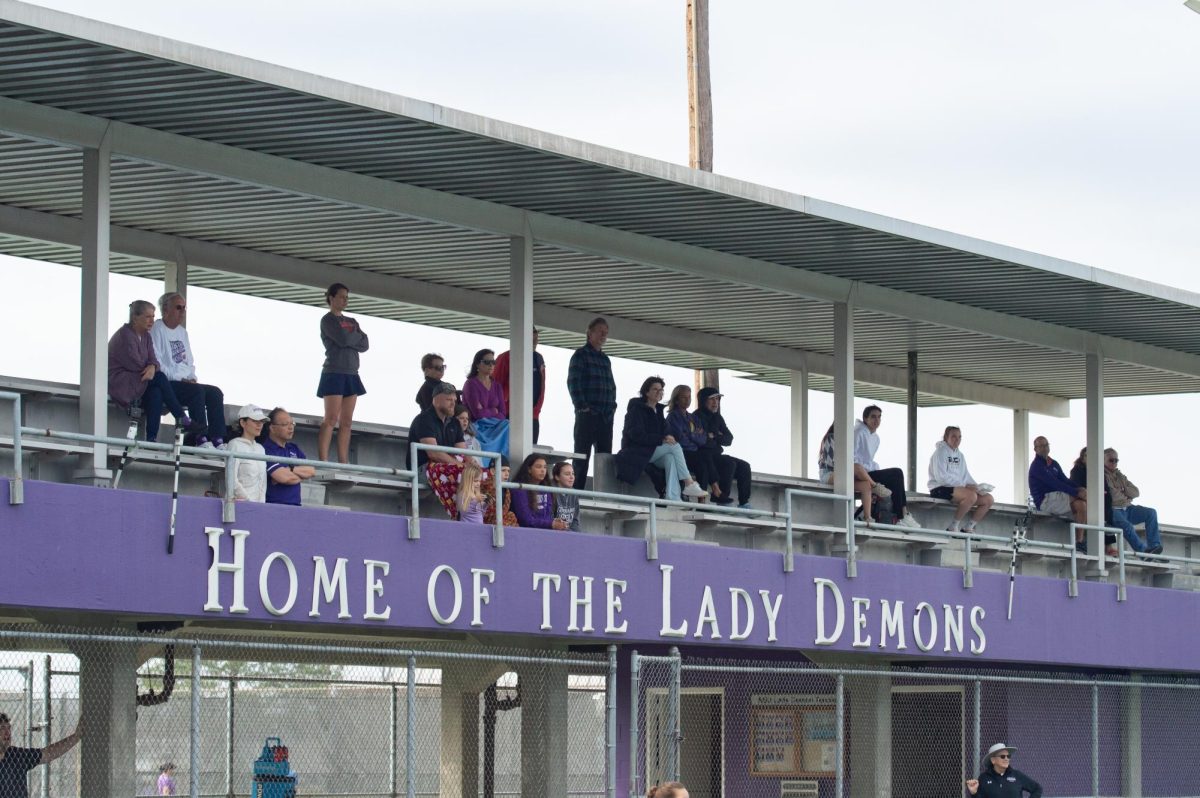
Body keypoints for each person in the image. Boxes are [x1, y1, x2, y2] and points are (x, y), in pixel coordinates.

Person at [108, 300, 192, 442]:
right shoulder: (125, 335)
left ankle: (151, 438)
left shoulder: (146, 336)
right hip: (123, 382)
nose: (152, 321)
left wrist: (152, 366)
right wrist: (152, 368)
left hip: (141, 380)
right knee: (159, 378)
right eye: (148, 317)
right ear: (135, 317)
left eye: (153, 317)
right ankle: (180, 416)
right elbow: (135, 363)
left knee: (156, 392)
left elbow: (154, 360)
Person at [149, 292, 226, 448]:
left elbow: (189, 361)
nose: (182, 312)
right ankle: (201, 439)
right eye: (178, 307)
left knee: (215, 393)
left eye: (184, 308)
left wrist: (191, 376)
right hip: (169, 383)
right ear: (166, 309)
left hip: (185, 382)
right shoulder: (157, 329)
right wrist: (180, 378)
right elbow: (156, 362)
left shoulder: (182, 332)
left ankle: (218, 439)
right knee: (196, 392)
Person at [614, 376, 709, 502]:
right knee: (674, 447)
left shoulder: (658, 411)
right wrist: (662, 439)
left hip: (652, 451)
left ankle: (673, 497)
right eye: (655, 389)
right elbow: (636, 435)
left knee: (670, 458)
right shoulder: (636, 410)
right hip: (636, 452)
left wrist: (667, 437)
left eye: (661, 390)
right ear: (646, 392)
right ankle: (689, 483)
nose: (659, 392)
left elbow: (666, 431)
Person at [317, 282, 369, 463]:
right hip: (334, 372)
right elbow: (343, 338)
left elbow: (365, 344)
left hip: (352, 373)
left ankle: (343, 460)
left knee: (347, 421)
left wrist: (351, 336)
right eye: (341, 297)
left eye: (347, 297)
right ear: (331, 298)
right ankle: (323, 459)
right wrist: (353, 336)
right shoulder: (328, 320)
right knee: (331, 418)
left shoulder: (352, 321)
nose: (345, 301)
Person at [567, 317, 617, 488]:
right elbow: (573, 382)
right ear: (589, 333)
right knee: (582, 457)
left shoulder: (605, 359)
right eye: (600, 331)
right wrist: (582, 407)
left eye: (606, 332)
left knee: (605, 458)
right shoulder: (580, 355)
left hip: (605, 416)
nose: (604, 335)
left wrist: (612, 408)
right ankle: (576, 494)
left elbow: (612, 386)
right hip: (587, 416)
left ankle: (604, 494)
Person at [854, 406, 920, 528]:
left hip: (869, 471)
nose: (877, 420)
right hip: (860, 473)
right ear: (865, 418)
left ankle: (902, 515)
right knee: (896, 473)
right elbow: (853, 459)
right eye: (873, 416)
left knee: (895, 480)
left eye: (879, 417)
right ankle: (902, 516)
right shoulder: (858, 432)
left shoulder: (876, 438)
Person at [409, 381, 468, 518]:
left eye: (454, 399)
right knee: (462, 472)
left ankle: (478, 515)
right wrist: (459, 464)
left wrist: (473, 466)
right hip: (423, 469)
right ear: (435, 400)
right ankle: (460, 514)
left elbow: (465, 454)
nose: (453, 403)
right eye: (448, 399)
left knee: (483, 476)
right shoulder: (424, 419)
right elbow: (433, 453)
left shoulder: (454, 422)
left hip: (448, 466)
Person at [1028, 437, 1090, 553]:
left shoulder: (1054, 463)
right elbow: (1055, 484)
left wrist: (1079, 488)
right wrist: (1077, 492)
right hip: (1045, 501)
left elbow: (1064, 480)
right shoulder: (1036, 466)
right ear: (1035, 449)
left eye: (1046, 445)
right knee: (1081, 497)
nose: (1044, 448)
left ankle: (1079, 542)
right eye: (1041, 446)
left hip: (1058, 498)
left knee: (1082, 505)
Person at [927, 426, 994, 532]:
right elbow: (941, 478)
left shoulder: (960, 455)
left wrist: (977, 487)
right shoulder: (940, 452)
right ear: (946, 437)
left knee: (988, 499)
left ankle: (969, 527)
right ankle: (953, 526)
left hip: (958, 489)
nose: (957, 440)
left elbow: (965, 476)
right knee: (971, 496)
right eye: (953, 437)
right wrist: (965, 486)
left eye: (959, 437)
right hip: (939, 488)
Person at [0, 711, 82, 798]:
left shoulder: (17, 755)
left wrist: (76, 736)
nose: (7, 732)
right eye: (2, 728)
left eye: (9, 728)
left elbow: (48, 753)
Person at [695, 387, 753, 508]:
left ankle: (744, 503)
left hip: (716, 455)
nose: (716, 402)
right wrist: (716, 437)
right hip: (704, 457)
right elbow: (703, 442)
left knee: (745, 466)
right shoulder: (696, 416)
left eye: (717, 399)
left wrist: (714, 436)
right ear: (703, 400)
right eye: (712, 399)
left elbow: (729, 439)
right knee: (729, 463)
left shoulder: (718, 417)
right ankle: (721, 499)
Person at [666, 385, 721, 501]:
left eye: (689, 397)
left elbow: (703, 439)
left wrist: (691, 435)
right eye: (683, 398)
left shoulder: (693, 418)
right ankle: (710, 493)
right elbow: (681, 439)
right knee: (702, 462)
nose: (687, 400)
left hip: (694, 451)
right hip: (682, 453)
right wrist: (695, 435)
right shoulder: (673, 416)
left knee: (705, 464)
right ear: (676, 399)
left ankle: (703, 499)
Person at [1104, 448, 1163, 556]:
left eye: (1116, 460)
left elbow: (1136, 492)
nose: (1114, 463)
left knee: (1151, 513)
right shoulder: (1101, 475)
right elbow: (1113, 495)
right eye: (1111, 460)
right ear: (1103, 460)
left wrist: (1123, 491)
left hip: (1128, 508)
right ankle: (1143, 553)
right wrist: (1126, 494)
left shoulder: (1120, 475)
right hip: (1114, 509)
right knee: (1127, 526)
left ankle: (1154, 547)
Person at [817, 422, 879, 526]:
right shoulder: (831, 438)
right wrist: (854, 471)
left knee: (865, 485)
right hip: (829, 474)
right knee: (857, 467)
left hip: (842, 475)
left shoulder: (846, 441)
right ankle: (876, 486)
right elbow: (835, 463)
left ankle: (868, 518)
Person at [493, 327, 547, 443]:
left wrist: (536, 410)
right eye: (531, 335)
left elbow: (540, 386)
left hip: (532, 416)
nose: (535, 339)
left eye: (536, 335)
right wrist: (501, 410)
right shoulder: (506, 357)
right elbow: (496, 386)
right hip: (510, 414)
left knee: (530, 454)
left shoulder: (538, 358)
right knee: (509, 451)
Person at [462, 348, 510, 462]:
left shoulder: (497, 386)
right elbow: (477, 414)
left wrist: (487, 411)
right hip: (477, 425)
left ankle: (501, 465)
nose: (491, 365)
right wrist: (494, 411)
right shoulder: (471, 384)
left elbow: (503, 413)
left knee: (508, 424)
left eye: (493, 362)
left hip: (495, 425)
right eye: (487, 362)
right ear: (478, 364)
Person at [262, 407, 316, 506]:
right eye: (285, 424)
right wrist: (301, 475)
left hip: (296, 507)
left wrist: (290, 469)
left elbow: (311, 470)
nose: (291, 427)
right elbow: (284, 478)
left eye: (292, 423)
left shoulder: (293, 448)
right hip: (273, 506)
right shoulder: (265, 449)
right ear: (272, 428)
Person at [1070, 447, 1118, 557]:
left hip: (1096, 501)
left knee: (1108, 508)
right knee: (1090, 507)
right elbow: (1077, 488)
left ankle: (1109, 545)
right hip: (1082, 500)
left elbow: (1106, 491)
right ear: (1083, 458)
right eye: (1088, 456)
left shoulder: (1099, 472)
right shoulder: (1077, 470)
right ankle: (1080, 541)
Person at [509, 453, 568, 529]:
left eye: (545, 467)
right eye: (538, 467)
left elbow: (547, 517)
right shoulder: (519, 489)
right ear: (529, 469)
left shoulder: (547, 489)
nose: (543, 470)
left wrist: (555, 522)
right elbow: (526, 520)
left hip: (543, 534)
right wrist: (551, 524)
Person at [966, 743, 1042, 798]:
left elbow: (1037, 788)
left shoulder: (1017, 775)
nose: (1006, 759)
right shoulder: (984, 778)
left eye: (1008, 756)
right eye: (1002, 756)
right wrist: (974, 793)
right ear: (993, 760)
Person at [226, 404, 268, 503]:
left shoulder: (261, 449)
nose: (259, 424)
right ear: (243, 423)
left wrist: (261, 505)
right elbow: (231, 480)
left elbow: (263, 482)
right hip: (238, 506)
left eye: (261, 421)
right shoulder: (234, 445)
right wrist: (248, 502)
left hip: (258, 509)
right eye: (254, 421)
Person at [455, 458, 487, 524]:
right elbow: (464, 511)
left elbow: (481, 514)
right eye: (475, 481)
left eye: (479, 481)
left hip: (479, 527)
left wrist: (485, 504)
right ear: (467, 480)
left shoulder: (476, 494)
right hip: (466, 528)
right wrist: (476, 501)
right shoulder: (462, 494)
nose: (478, 483)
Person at [552, 460, 582, 531]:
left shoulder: (574, 493)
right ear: (557, 477)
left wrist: (576, 536)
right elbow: (550, 520)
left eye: (573, 473)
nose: (572, 477)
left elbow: (575, 521)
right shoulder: (551, 492)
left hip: (569, 535)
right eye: (567, 474)